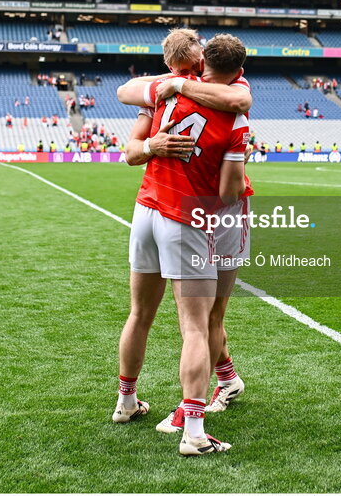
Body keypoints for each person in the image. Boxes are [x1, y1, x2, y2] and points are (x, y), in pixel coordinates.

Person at [112, 31, 250, 457]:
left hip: (146, 210)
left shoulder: (161, 95)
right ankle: (193, 429)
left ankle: (127, 401)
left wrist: (155, 135)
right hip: (190, 216)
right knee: (199, 322)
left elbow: (129, 150)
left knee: (140, 313)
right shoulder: (233, 109)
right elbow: (227, 192)